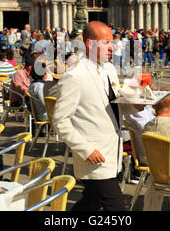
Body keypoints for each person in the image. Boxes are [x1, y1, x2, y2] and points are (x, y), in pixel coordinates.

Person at [53, 21, 128, 211]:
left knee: (90, 203)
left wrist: (136, 103)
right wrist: (85, 150)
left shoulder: (109, 69)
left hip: (113, 150)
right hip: (94, 156)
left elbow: (114, 105)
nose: (111, 47)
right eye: (106, 43)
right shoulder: (74, 76)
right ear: (90, 44)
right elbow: (60, 121)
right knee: (116, 206)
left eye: (112, 42)